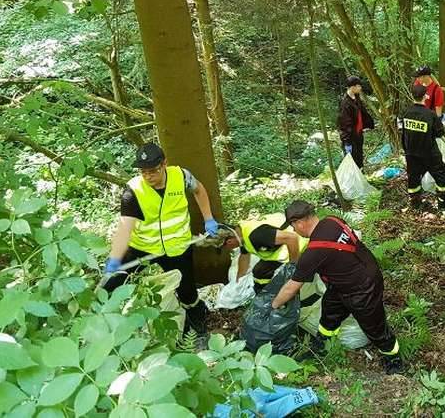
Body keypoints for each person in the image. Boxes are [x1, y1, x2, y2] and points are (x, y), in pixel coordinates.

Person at [271, 201, 404, 374]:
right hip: (346, 280)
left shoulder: (313, 253)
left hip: (363, 287)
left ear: (300, 223)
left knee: (374, 326)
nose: (294, 231)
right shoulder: (333, 221)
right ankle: (323, 342)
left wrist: (273, 306)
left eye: (293, 226)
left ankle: (393, 357)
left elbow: (291, 288)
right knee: (330, 311)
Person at [103, 142, 219, 337]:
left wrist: (209, 218)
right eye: (143, 172)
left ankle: (197, 321)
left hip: (177, 247)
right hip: (143, 246)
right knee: (112, 282)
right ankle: (101, 323)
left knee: (187, 292)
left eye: (153, 171)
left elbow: (199, 189)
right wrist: (115, 257)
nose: (148, 176)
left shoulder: (181, 176)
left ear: (164, 164)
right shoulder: (133, 191)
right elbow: (125, 228)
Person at [222, 212, 308, 293]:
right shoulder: (241, 234)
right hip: (279, 249)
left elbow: (292, 238)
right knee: (259, 271)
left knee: (294, 279)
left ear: (229, 241)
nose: (228, 249)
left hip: (299, 245)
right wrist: (239, 280)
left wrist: (293, 266)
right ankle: (266, 293)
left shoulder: (256, 236)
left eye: (225, 248)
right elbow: (244, 255)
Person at [401, 84, 445, 210]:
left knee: (413, 178)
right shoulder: (430, 114)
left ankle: (415, 203)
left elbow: (402, 131)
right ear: (425, 96)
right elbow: (439, 133)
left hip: (411, 153)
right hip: (429, 153)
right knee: (442, 176)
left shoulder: (405, 113)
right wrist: (441, 123)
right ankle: (442, 203)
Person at [337, 76, 375, 170]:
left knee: (359, 159)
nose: (360, 88)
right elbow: (344, 124)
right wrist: (347, 141)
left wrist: (368, 124)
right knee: (351, 162)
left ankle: (360, 178)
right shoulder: (345, 103)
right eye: (358, 86)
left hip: (358, 134)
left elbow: (362, 113)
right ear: (352, 87)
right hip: (350, 136)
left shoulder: (356, 98)